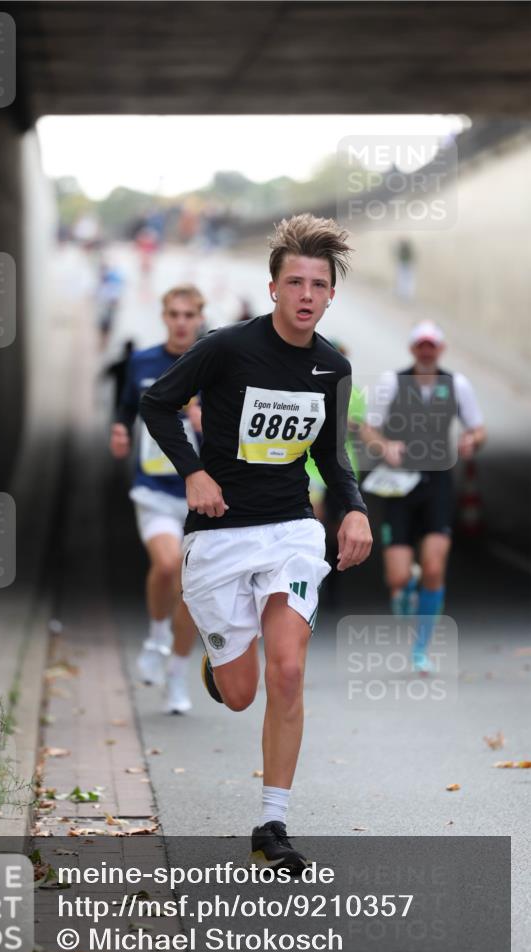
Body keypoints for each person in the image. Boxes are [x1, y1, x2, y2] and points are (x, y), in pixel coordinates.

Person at [140, 214, 372, 873]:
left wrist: (351, 512)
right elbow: (158, 404)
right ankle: (217, 666)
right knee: (240, 693)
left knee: (289, 670)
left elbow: (331, 458)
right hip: (218, 536)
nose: (305, 293)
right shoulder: (226, 348)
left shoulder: (332, 368)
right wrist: (194, 473)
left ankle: (272, 823)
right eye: (293, 281)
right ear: (272, 288)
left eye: (317, 284)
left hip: (291, 533)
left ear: (330, 295)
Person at [360, 320, 486, 673]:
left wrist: (471, 441)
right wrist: (384, 446)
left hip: (437, 484)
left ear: (441, 349)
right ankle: (407, 586)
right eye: (421, 345)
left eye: (433, 345)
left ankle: (420, 649)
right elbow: (367, 428)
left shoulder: (456, 385)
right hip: (399, 485)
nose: (427, 350)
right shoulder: (391, 383)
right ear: (413, 349)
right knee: (397, 578)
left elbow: (478, 429)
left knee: (434, 566)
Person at [110, 285, 206, 714]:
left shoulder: (215, 365)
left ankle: (176, 675)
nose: (181, 321)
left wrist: (207, 422)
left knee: (191, 592)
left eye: (189, 314)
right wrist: (119, 430)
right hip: (153, 487)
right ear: (164, 316)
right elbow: (126, 407)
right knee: (166, 565)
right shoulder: (143, 362)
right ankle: (156, 636)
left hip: (201, 496)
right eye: (174, 314)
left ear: (200, 317)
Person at [305, 340, 367, 606]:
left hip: (341, 467)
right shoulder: (307, 387)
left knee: (335, 530)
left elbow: (360, 428)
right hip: (309, 467)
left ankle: (334, 578)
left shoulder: (355, 395)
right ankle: (310, 578)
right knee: (313, 520)